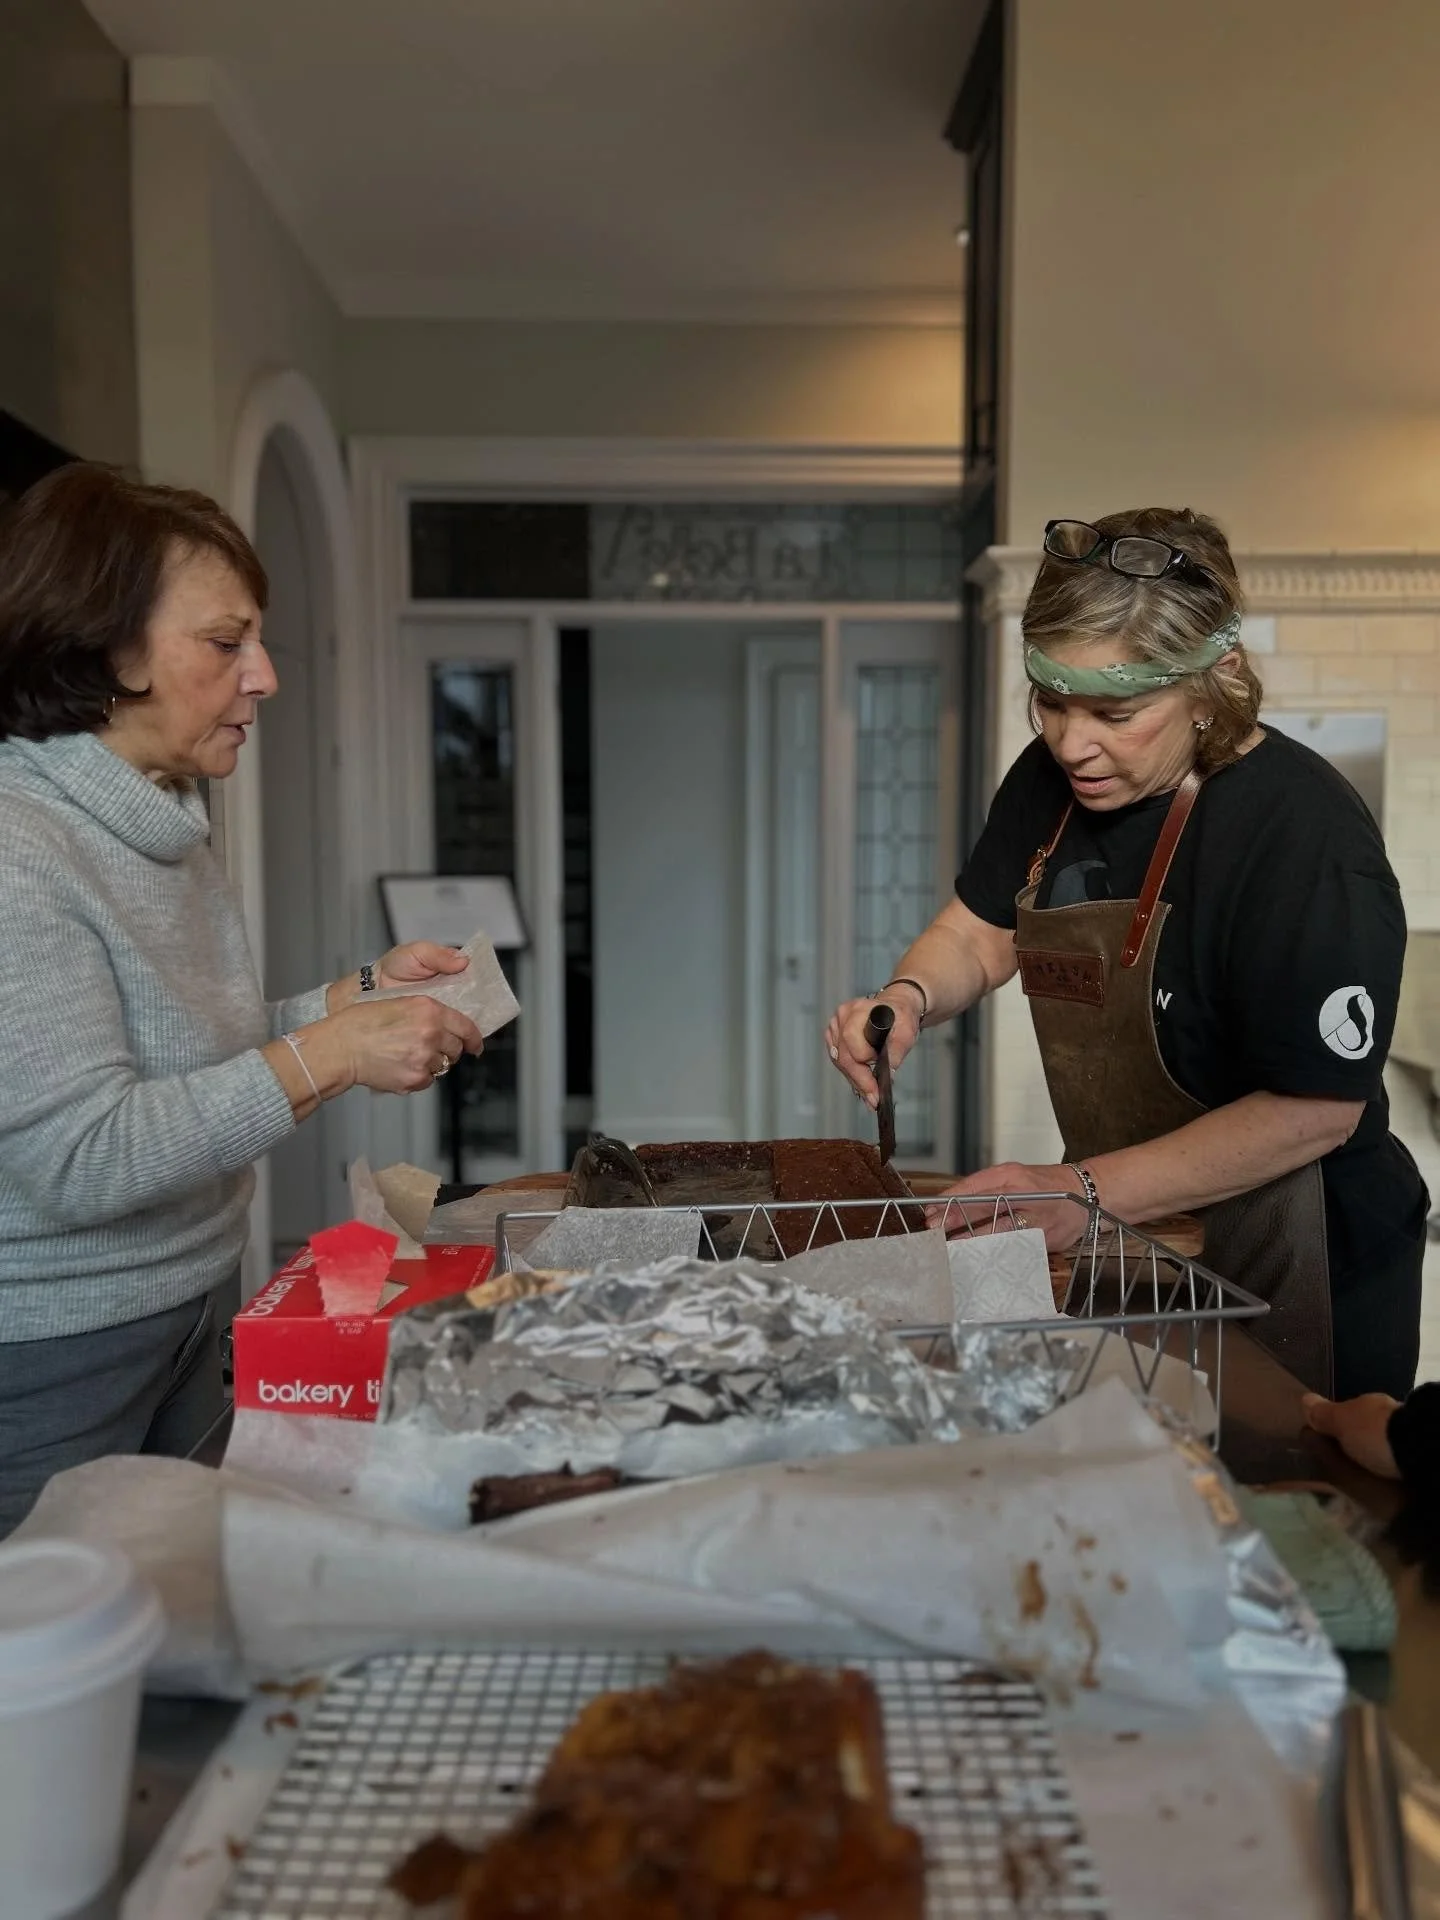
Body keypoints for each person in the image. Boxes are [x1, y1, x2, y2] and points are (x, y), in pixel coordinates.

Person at [827, 507, 1427, 1401]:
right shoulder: (1048, 784)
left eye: (1116, 712)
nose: (1072, 743)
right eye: (1051, 701)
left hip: (1303, 1251)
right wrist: (909, 994)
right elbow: (978, 932)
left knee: (1272, 1468)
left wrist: (1078, 1191)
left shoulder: (1303, 834)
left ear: (1215, 682)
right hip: (1131, 1226)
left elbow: (1316, 1111)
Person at [0, 463, 485, 1535]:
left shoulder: (160, 816)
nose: (264, 677)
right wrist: (336, 1054)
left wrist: (358, 997)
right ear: (104, 649)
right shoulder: (17, 849)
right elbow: (85, 1157)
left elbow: (192, 1060)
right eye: (226, 644)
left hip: (192, 1300)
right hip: (53, 1352)